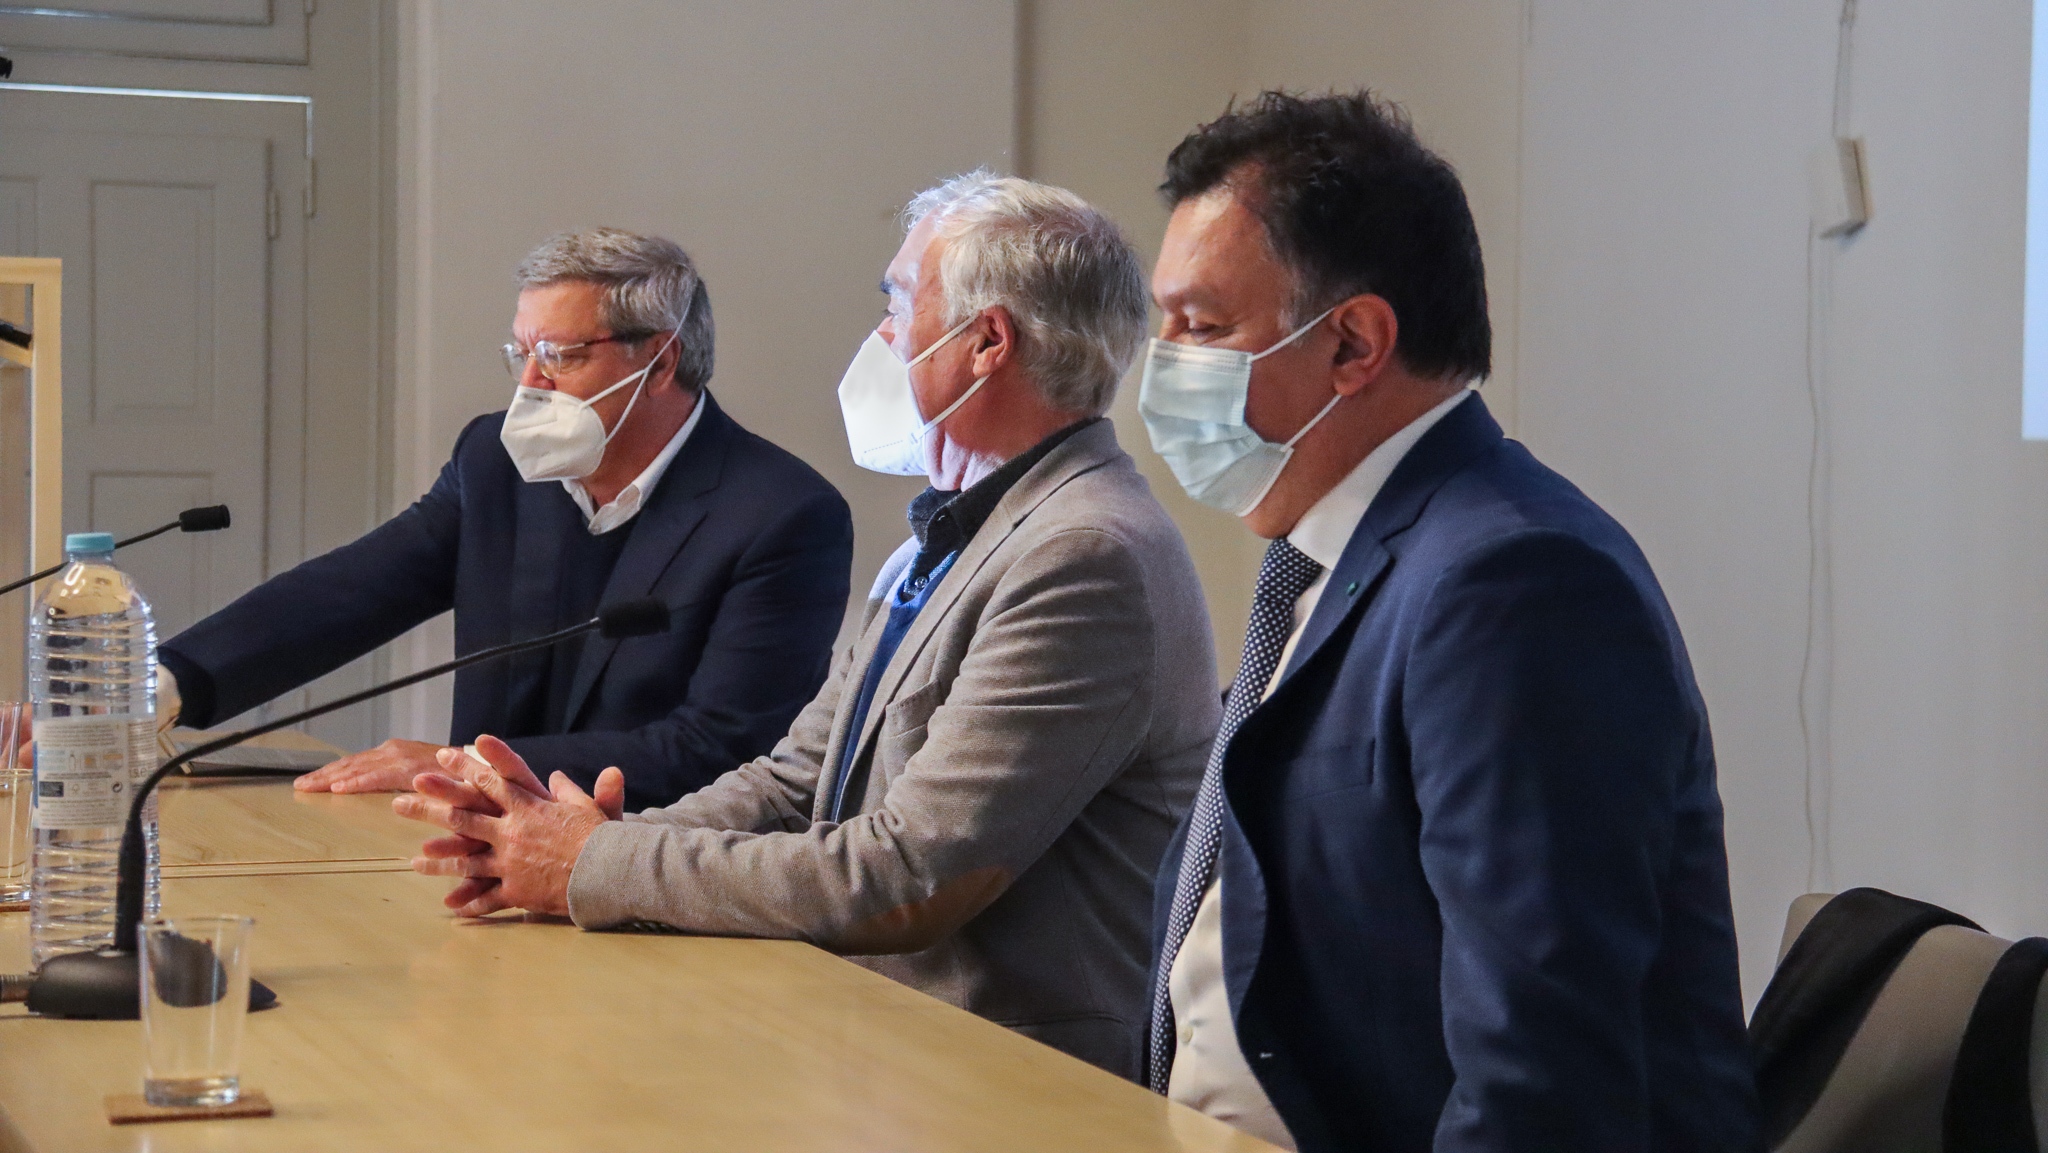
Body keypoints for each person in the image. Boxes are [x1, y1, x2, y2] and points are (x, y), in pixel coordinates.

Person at [394, 173, 1219, 1079]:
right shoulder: (950, 536)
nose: (882, 336)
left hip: (1000, 1082)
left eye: (895, 304)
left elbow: (907, 878)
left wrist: (595, 862)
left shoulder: (1084, 553)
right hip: (869, 1046)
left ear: (987, 342)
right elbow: (795, 783)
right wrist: (579, 841)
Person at [1138, 93, 1760, 1151]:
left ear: (1353, 343)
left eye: (1200, 327)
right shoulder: (1324, 558)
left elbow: (1539, 1070)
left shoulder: (1513, 581)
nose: (1162, 363)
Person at [159, 228, 853, 812]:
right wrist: (161, 688)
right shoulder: (494, 463)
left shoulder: (783, 514)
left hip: (662, 864)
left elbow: (722, 746)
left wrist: (465, 764)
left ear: (660, 360)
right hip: (482, 852)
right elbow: (350, 591)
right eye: (522, 354)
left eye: (560, 356)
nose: (530, 385)